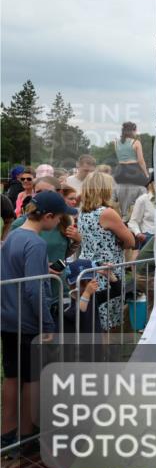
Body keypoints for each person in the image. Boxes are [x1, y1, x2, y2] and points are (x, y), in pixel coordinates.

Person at [1, 191, 76, 452]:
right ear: (48, 216)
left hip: (8, 317)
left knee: (12, 375)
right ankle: (26, 435)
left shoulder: (13, 235)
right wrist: (47, 325)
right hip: (28, 321)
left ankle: (6, 432)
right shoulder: (36, 243)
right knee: (32, 378)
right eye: (59, 218)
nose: (59, 224)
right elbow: (35, 290)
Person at [78, 173, 135, 332]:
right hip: (107, 271)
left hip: (88, 269)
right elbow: (131, 242)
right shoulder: (106, 213)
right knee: (107, 321)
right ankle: (106, 348)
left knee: (93, 318)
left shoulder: (82, 212)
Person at [8, 176, 81, 269]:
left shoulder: (63, 220)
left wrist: (76, 242)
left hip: (58, 276)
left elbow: (61, 254)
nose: (43, 196)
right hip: (35, 276)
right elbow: (10, 260)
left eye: (48, 192)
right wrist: (42, 267)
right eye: (38, 192)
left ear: (59, 194)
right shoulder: (21, 224)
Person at [113, 122, 149, 219]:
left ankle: (124, 213)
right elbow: (141, 161)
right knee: (146, 184)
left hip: (120, 171)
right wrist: (146, 174)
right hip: (133, 170)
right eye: (135, 130)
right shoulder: (136, 142)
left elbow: (119, 157)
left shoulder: (115, 142)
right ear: (132, 131)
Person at [127, 176, 156, 250]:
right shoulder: (143, 199)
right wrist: (138, 234)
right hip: (149, 238)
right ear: (151, 184)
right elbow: (133, 221)